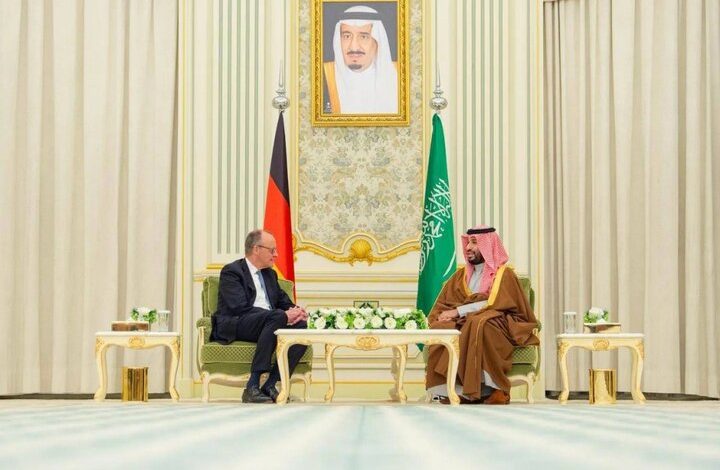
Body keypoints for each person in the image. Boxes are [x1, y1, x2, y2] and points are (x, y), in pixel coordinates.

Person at [425, 225, 539, 404]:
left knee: (480, 323)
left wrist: (458, 311)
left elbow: (497, 303)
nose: (468, 248)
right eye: (467, 243)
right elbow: (447, 301)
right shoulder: (461, 275)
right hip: (465, 320)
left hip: (498, 320)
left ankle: (496, 389)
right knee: (443, 328)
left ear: (488, 245)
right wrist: (445, 315)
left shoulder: (504, 274)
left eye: (474, 243)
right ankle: (457, 391)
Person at [211, 229, 308, 403]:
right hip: (238, 323)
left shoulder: (270, 274)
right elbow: (238, 307)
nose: (276, 255)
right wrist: (280, 315)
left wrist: (297, 311)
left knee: (301, 328)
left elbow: (283, 301)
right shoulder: (232, 271)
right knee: (277, 316)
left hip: (269, 323)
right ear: (256, 249)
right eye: (272, 250)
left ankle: (270, 384)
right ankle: (252, 385)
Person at [323, 5, 398, 114]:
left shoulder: (400, 76)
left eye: (363, 37)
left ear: (378, 41)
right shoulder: (323, 76)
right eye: (347, 36)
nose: (354, 47)